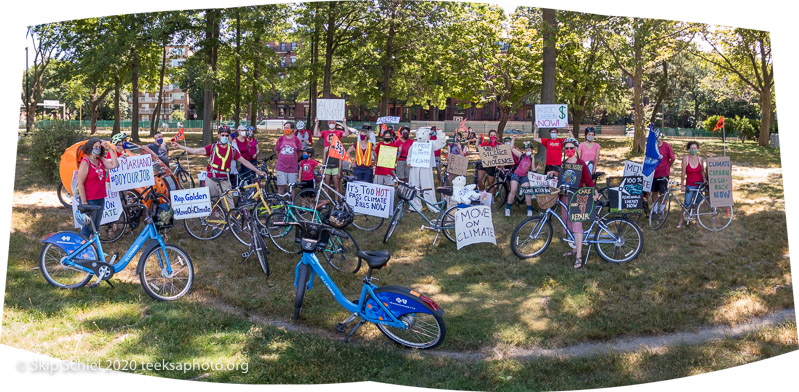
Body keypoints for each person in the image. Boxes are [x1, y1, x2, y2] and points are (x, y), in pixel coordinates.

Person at [171, 126, 265, 211]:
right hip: (211, 179)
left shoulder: (232, 150)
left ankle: (231, 222)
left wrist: (258, 171)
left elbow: (244, 161)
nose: (224, 137)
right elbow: (195, 151)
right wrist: (179, 146)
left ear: (229, 136)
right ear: (219, 135)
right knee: (213, 204)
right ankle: (214, 226)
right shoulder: (212, 148)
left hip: (224, 180)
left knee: (230, 205)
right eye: (222, 135)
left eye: (226, 135)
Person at [557, 138, 599, 269]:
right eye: (567, 148)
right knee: (568, 224)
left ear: (575, 149)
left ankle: (579, 256)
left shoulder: (581, 164)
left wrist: (595, 191)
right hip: (565, 197)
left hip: (577, 198)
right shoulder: (563, 163)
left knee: (576, 226)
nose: (569, 150)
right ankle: (574, 249)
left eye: (571, 148)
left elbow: (588, 180)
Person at [76, 138, 119, 238]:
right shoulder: (85, 162)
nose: (97, 149)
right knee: (88, 228)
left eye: (99, 147)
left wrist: (110, 149)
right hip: (90, 200)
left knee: (96, 228)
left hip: (100, 198)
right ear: (90, 147)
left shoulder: (100, 160)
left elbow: (114, 164)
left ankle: (94, 250)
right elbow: (81, 183)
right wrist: (84, 202)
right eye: (95, 147)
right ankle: (81, 249)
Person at [407, 127, 447, 212]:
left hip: (425, 167)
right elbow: (409, 155)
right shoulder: (414, 144)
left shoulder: (430, 143)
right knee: (414, 185)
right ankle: (414, 206)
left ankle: (432, 206)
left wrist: (439, 132)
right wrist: (409, 162)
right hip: (414, 167)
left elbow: (441, 142)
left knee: (428, 186)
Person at [506, 139, 543, 217]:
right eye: (526, 150)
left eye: (529, 149)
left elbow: (533, 169)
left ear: (532, 150)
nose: (527, 151)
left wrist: (537, 168)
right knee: (513, 190)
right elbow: (512, 148)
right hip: (516, 174)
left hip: (524, 176)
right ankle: (508, 208)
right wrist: (513, 139)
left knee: (527, 191)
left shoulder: (532, 158)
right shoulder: (521, 155)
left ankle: (529, 209)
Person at [677, 141, 707, 228]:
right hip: (690, 183)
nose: (693, 150)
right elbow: (683, 173)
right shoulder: (686, 159)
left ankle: (698, 221)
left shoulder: (700, 159)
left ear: (697, 149)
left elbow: (702, 171)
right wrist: (682, 185)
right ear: (689, 149)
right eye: (692, 148)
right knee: (686, 203)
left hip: (699, 184)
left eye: (695, 148)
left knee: (698, 203)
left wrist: (704, 178)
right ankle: (681, 220)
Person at [274, 121, 303, 196]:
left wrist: (295, 159)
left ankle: (292, 203)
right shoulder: (280, 139)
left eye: (287, 128)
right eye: (285, 128)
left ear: (292, 129)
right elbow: (277, 150)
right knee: (281, 187)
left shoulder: (297, 140)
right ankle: (281, 203)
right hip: (281, 167)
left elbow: (300, 152)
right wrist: (281, 158)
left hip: (292, 168)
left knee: (292, 187)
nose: (285, 129)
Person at [651, 131, 676, 212]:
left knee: (662, 193)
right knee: (654, 192)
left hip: (663, 173)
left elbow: (672, 158)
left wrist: (668, 166)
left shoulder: (666, 146)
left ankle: (661, 211)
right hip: (654, 173)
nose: (656, 140)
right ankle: (654, 210)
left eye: (657, 138)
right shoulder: (652, 146)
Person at [322, 132, 344, 197]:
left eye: (333, 139)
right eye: (330, 139)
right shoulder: (326, 148)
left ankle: (337, 200)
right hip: (328, 168)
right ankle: (326, 200)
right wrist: (323, 168)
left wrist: (339, 171)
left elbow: (340, 161)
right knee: (327, 185)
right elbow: (324, 159)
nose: (331, 140)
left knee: (336, 185)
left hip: (335, 168)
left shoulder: (338, 149)